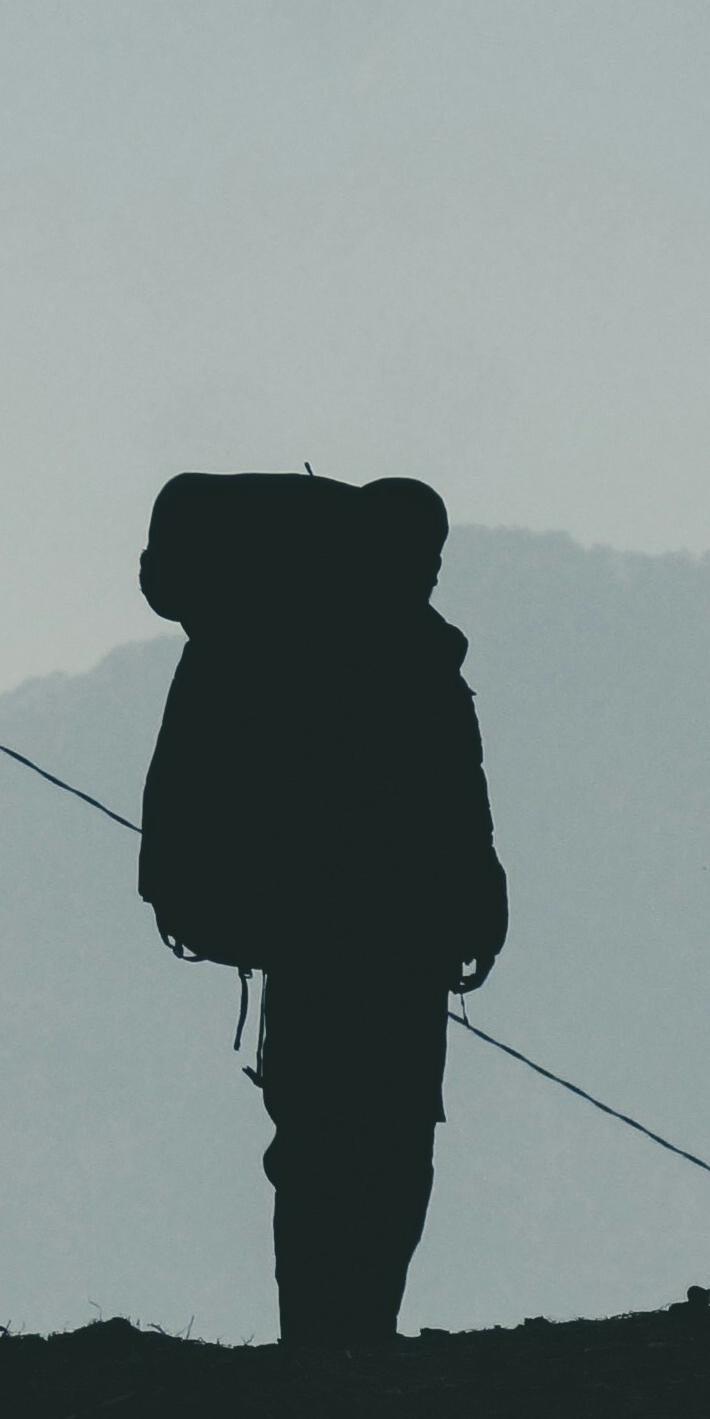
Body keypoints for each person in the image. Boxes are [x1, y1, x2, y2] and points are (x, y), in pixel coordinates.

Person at [137, 472, 508, 1347]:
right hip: (380, 944)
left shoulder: (311, 653)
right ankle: (345, 1336)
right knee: (372, 1143)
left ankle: (328, 1339)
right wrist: (476, 903)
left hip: (325, 943)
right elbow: (456, 800)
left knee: (328, 1143)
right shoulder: (395, 661)